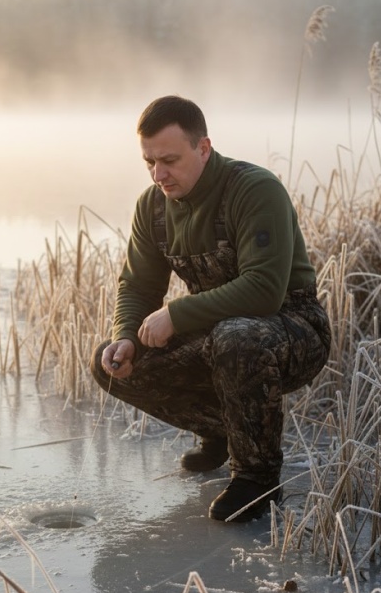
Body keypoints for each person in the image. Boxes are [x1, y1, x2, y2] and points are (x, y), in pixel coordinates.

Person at [90, 96, 331, 522]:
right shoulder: (153, 207)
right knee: (108, 363)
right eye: (149, 161)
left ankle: (257, 480)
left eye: (169, 160)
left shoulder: (254, 189)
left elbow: (264, 290)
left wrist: (176, 315)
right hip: (219, 330)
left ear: (203, 148)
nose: (158, 174)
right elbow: (138, 285)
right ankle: (223, 429)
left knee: (236, 338)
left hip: (294, 326)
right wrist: (127, 335)